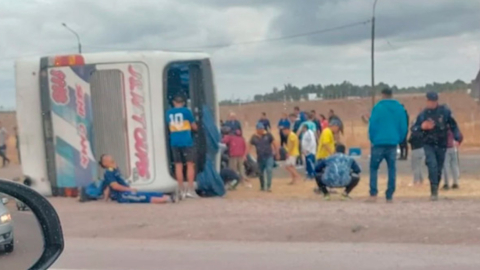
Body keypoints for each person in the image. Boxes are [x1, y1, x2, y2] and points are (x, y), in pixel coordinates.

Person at [412, 92, 462, 201]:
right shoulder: (423, 114)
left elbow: (453, 125)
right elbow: (414, 129)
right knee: (432, 164)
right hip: (428, 143)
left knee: (439, 168)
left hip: (441, 144)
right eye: (429, 101)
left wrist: (458, 137)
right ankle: (433, 190)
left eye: (433, 101)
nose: (431, 103)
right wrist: (422, 127)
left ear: (436, 101)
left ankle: (435, 186)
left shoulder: (444, 112)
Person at [368, 88, 408, 203]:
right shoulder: (399, 108)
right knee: (391, 168)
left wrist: (373, 138)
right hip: (392, 142)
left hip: (378, 143)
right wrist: (399, 138)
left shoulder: (377, 107)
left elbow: (372, 125)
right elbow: (403, 126)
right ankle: (389, 194)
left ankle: (373, 193)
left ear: (382, 94)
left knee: (374, 168)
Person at [99, 154, 175, 203]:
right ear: (105, 163)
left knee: (147, 193)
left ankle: (167, 196)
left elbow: (108, 185)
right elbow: (114, 186)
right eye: (108, 158)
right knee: (143, 197)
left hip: (126, 191)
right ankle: (166, 199)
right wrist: (129, 189)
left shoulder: (115, 170)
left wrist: (106, 198)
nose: (110, 158)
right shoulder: (109, 172)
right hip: (122, 195)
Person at [166, 95, 198, 199]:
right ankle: (190, 189)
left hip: (174, 141)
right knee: (190, 165)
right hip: (186, 141)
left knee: (178, 165)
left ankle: (181, 189)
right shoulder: (186, 112)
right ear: (183, 103)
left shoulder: (168, 113)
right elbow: (194, 126)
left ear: (174, 103)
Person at [249, 123, 278, 192]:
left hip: (269, 155)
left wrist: (277, 152)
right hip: (260, 157)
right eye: (259, 129)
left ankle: (269, 186)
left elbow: (274, 143)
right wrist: (246, 154)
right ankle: (262, 186)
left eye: (262, 129)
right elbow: (249, 145)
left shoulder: (268, 135)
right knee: (260, 172)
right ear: (257, 129)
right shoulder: (254, 137)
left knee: (269, 170)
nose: (261, 130)